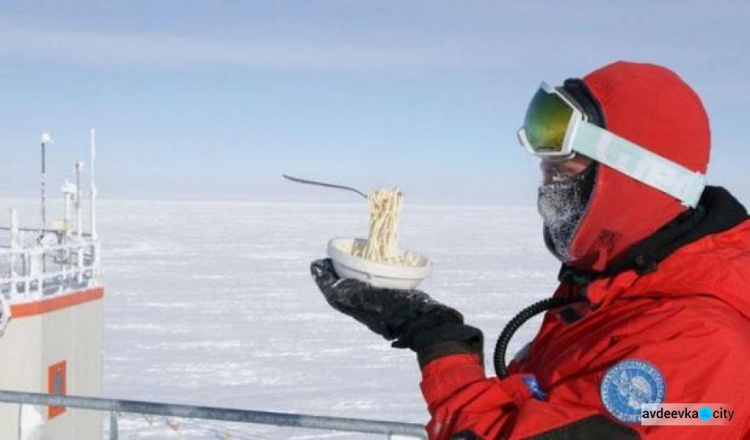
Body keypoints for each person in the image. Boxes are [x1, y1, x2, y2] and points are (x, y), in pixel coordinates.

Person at [310, 61, 750, 439]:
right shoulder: (617, 288)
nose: (546, 177)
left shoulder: (699, 350)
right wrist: (433, 328)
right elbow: (545, 406)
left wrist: (441, 345)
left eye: (563, 163)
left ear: (634, 176)